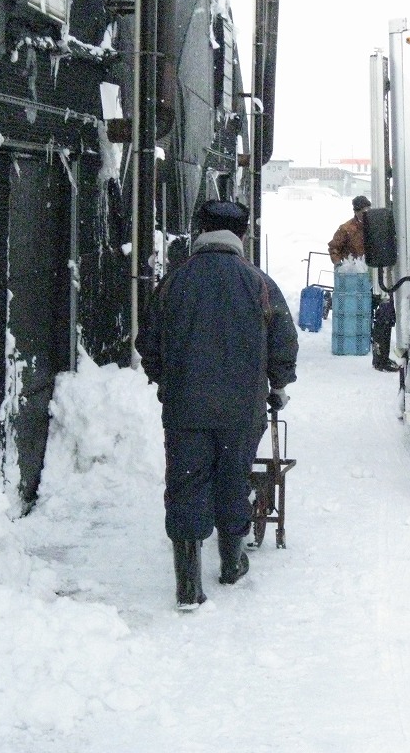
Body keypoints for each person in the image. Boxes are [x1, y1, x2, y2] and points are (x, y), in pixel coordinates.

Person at [137, 199, 299, 611]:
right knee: (233, 479)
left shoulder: (174, 282)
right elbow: (283, 340)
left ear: (199, 231)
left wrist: (165, 379)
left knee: (186, 483)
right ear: (242, 235)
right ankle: (231, 562)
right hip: (242, 410)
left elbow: (148, 343)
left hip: (185, 408)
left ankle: (188, 585)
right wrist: (277, 385)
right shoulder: (259, 283)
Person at [328, 195, 398, 372]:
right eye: (362, 211)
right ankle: (366, 337)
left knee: (374, 305)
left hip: (373, 269)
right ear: (356, 212)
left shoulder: (374, 224)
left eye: (368, 210)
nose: (366, 214)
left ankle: (370, 336)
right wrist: (340, 264)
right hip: (354, 275)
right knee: (361, 307)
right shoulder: (346, 229)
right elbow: (333, 247)